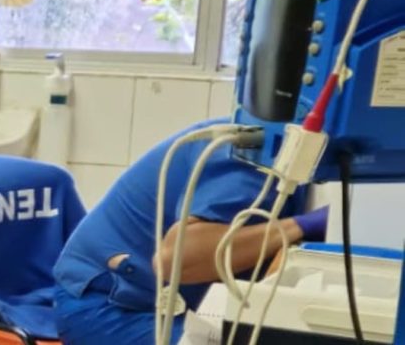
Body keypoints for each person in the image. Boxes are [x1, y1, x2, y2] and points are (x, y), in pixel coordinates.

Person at [51, 117, 329, 345]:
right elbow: (175, 260)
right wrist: (301, 226)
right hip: (112, 305)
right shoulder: (254, 152)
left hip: (174, 303)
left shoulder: (308, 157)